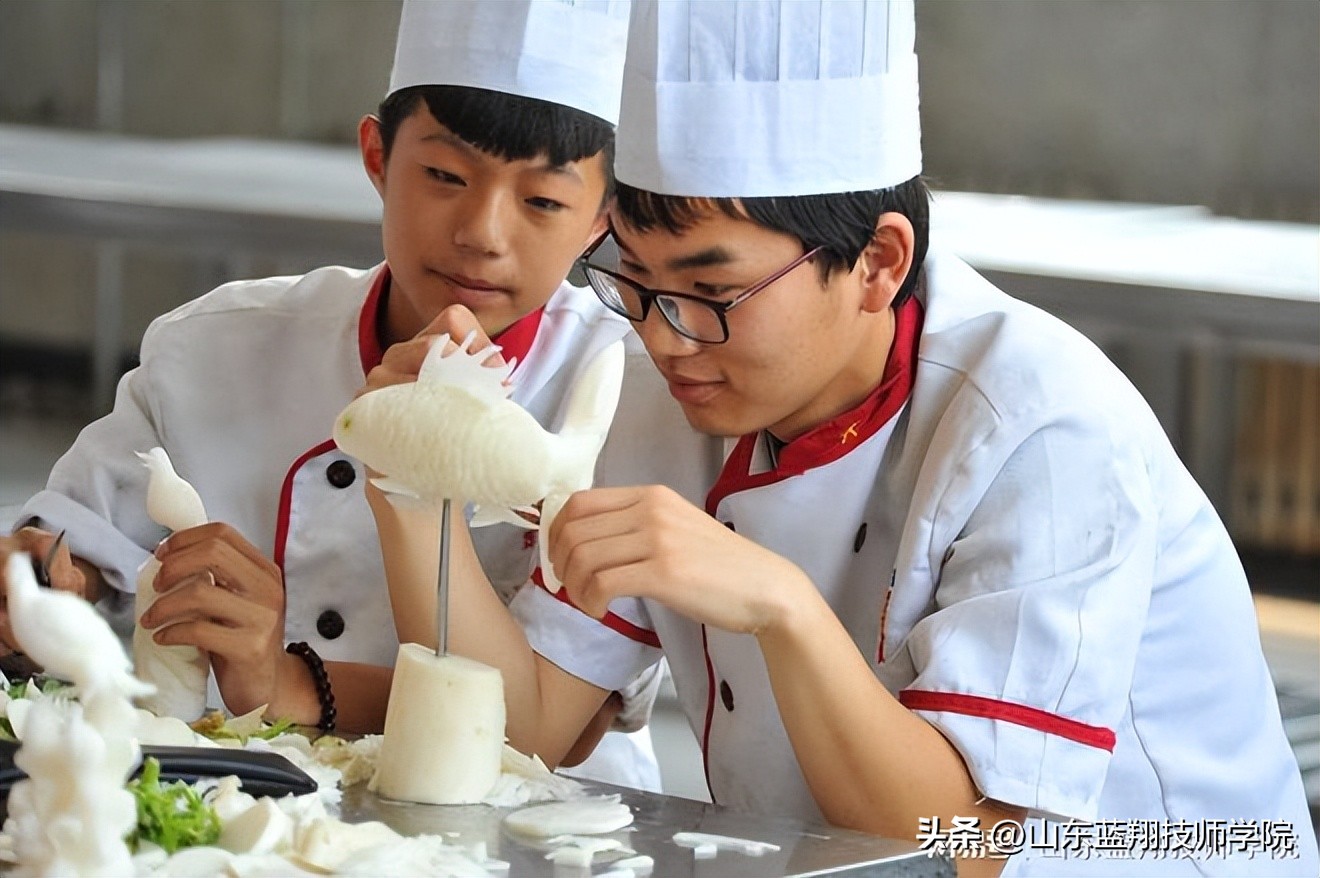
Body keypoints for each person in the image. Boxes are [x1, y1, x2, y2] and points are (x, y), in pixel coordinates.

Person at [372, 1, 1319, 875]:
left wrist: (779, 604)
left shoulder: (1039, 426)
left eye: (710, 293)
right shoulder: (667, 390)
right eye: (638, 284)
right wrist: (412, 479)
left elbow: (970, 845)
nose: (663, 336)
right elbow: (525, 728)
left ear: (878, 262)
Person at [9, 0, 667, 791]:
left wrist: (283, 678)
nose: (483, 233)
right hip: (243, 801)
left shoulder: (630, 396)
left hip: (546, 828)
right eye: (445, 176)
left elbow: (551, 728)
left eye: (543, 202)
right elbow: (76, 539)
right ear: (377, 157)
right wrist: (41, 584)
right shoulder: (220, 345)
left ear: (602, 219)